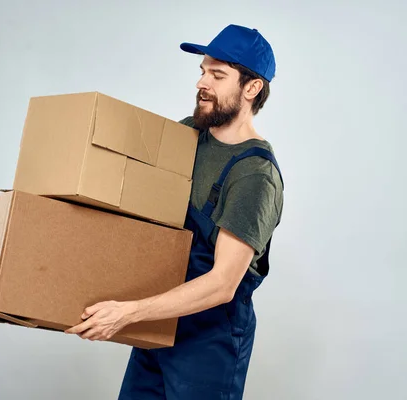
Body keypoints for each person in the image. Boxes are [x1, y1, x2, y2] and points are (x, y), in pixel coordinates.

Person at [65, 24, 284, 399]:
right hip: (158, 324)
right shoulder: (186, 135)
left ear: (251, 88)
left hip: (209, 340)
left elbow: (222, 283)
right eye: (202, 71)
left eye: (217, 75)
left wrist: (128, 312)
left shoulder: (255, 175)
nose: (202, 83)